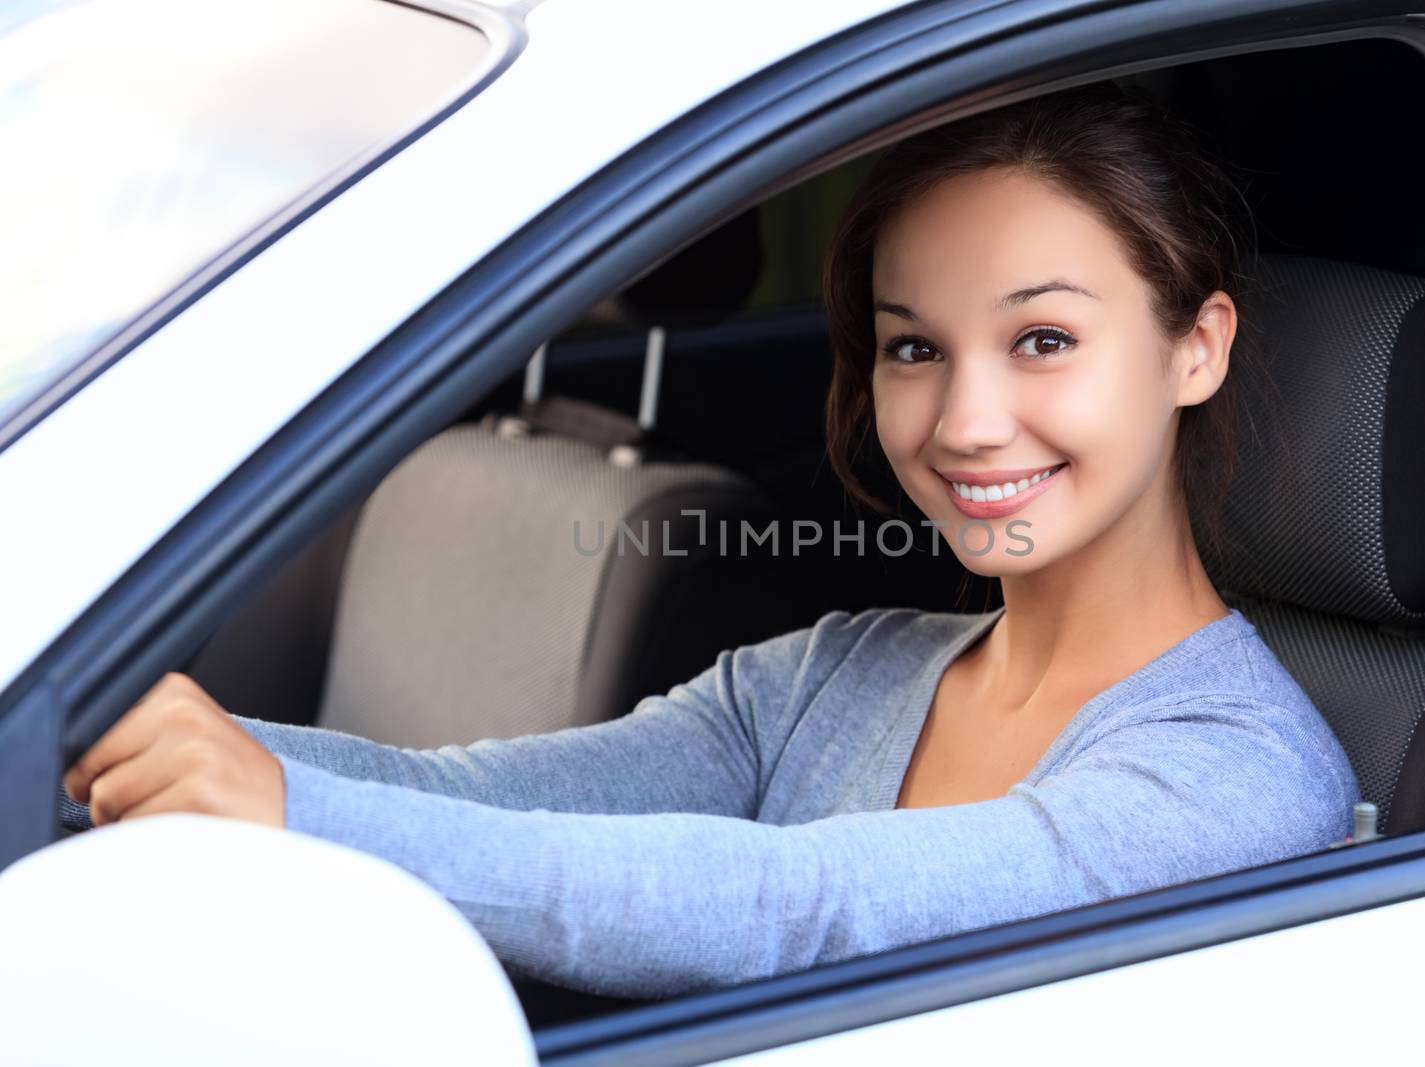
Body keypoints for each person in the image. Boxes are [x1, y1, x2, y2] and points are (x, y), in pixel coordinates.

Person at [57, 82, 1359, 1000]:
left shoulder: (1232, 781)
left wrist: (287, 811)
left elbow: (793, 907)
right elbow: (483, 799)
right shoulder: (838, 675)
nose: (967, 421)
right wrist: (109, 748)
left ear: (1197, 347)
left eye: (1043, 340)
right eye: (914, 346)